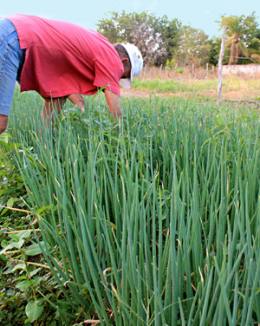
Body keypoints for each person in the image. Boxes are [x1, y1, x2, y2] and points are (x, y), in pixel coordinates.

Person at [0, 15, 143, 134]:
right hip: (13, 39)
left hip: (14, 33)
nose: (118, 77)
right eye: (123, 75)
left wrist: (80, 105)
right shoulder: (111, 56)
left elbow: (60, 92)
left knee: (56, 99)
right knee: (1, 123)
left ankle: (41, 147)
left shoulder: (97, 45)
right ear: (123, 62)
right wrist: (124, 136)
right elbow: (114, 107)